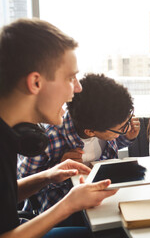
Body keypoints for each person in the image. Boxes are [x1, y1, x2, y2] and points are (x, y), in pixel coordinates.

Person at [0, 18, 117, 237]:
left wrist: (46, 176)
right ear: (36, 82)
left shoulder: (8, 134)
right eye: (70, 77)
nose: (78, 88)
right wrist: (69, 204)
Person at [17, 73, 140, 215]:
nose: (126, 129)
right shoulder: (47, 137)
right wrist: (57, 169)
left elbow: (109, 144)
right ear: (90, 132)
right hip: (60, 211)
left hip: (103, 199)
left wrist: (127, 137)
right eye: (121, 129)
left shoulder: (105, 123)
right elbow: (23, 182)